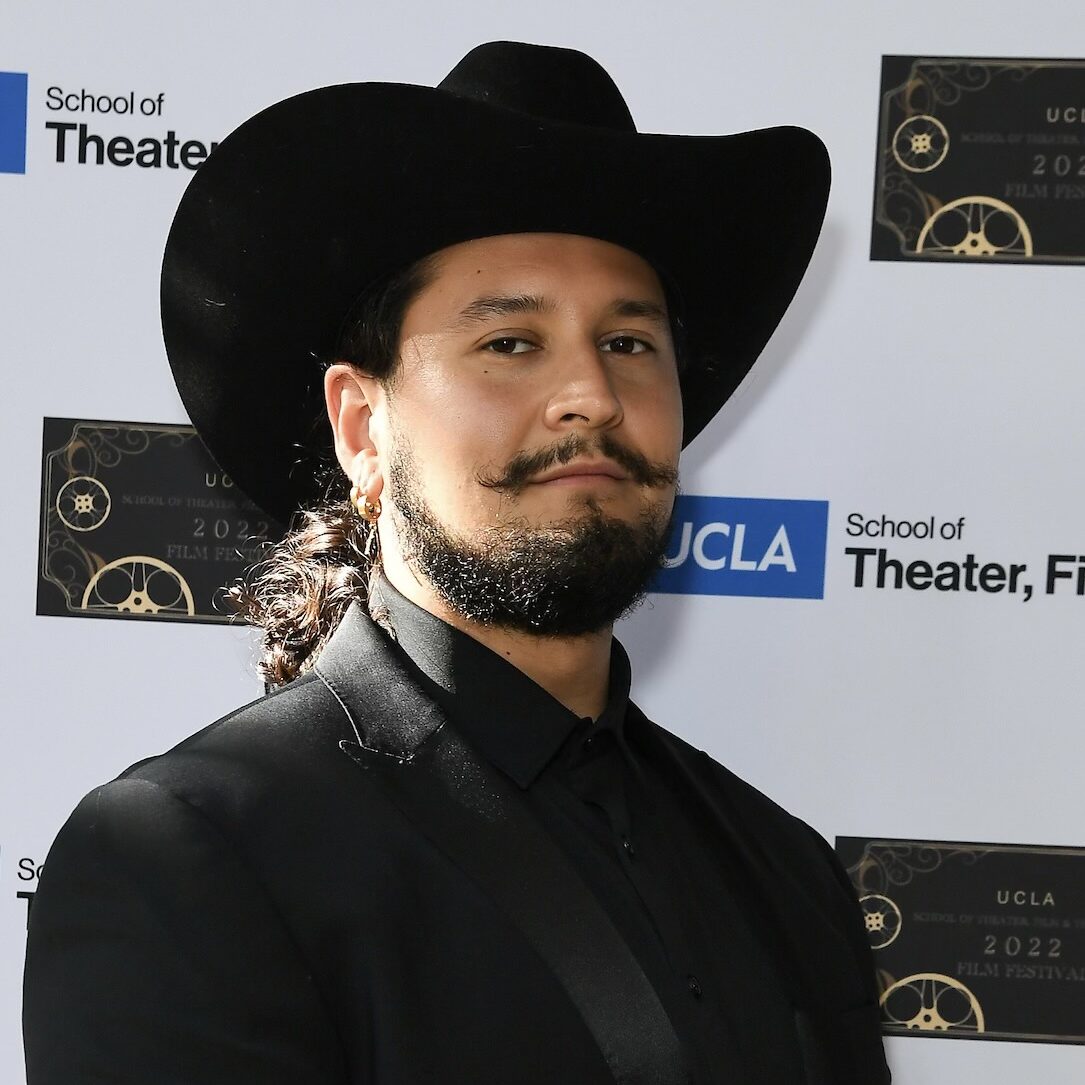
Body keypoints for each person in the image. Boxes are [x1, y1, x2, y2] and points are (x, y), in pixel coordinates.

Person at [23, 41, 890, 1085]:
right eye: (510, 343)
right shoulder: (194, 856)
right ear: (360, 424)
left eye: (628, 343)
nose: (591, 397)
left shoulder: (782, 870)